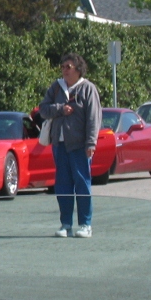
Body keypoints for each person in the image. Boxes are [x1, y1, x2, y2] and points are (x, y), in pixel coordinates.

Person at [37, 53, 102, 238]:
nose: (64, 70)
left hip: (80, 146)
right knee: (63, 186)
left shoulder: (88, 89)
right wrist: (60, 109)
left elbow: (94, 118)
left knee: (82, 184)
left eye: (68, 67)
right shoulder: (56, 87)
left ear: (78, 69)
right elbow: (43, 109)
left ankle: (85, 224)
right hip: (59, 145)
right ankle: (66, 225)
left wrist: (91, 143)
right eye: (63, 66)